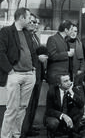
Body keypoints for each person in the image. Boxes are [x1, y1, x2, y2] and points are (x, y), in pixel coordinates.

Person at [0, 8, 37, 138]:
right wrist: (9, 70)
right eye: (28, 18)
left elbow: (31, 52)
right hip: (14, 75)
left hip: (29, 75)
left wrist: (34, 68)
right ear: (21, 18)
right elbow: (1, 52)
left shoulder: (27, 33)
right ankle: (5, 136)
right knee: (12, 109)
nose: (30, 20)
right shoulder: (6, 31)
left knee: (22, 107)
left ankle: (16, 135)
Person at [21, 13, 48, 137]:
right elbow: (24, 56)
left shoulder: (35, 36)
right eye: (32, 22)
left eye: (36, 23)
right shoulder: (23, 36)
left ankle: (29, 127)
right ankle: (23, 130)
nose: (35, 25)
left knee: (34, 103)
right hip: (28, 74)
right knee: (27, 104)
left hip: (37, 75)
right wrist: (38, 58)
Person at [44, 74, 84, 138]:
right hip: (56, 116)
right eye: (65, 81)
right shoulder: (52, 91)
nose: (69, 83)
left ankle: (72, 131)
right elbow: (49, 110)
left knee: (80, 109)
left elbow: (81, 104)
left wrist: (72, 93)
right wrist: (63, 115)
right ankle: (52, 133)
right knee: (53, 123)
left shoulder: (73, 90)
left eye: (69, 80)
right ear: (59, 84)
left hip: (69, 116)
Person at [46, 20, 74, 86]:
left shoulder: (66, 40)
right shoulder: (52, 39)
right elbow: (52, 56)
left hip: (64, 75)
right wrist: (67, 54)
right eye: (71, 29)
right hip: (55, 75)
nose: (72, 31)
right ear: (66, 30)